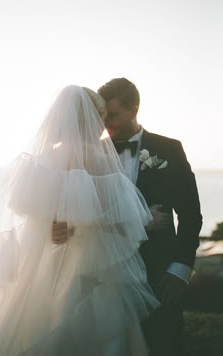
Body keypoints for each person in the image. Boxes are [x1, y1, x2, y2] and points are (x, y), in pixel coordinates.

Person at [0, 85, 159, 355]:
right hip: (94, 266)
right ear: (93, 119)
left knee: (38, 325)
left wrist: (55, 228)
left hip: (44, 268)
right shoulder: (102, 162)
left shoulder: (38, 163)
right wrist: (148, 219)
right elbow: (120, 223)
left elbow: (33, 220)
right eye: (101, 118)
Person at [97, 78, 203, 356]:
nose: (108, 123)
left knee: (163, 345)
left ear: (134, 110)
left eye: (114, 115)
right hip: (104, 274)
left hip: (160, 274)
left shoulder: (169, 149)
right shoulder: (91, 155)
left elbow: (191, 214)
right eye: (104, 116)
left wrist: (180, 269)